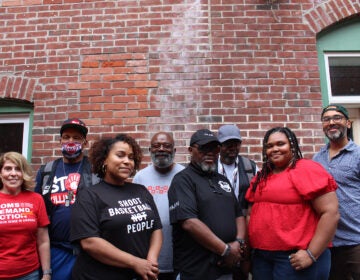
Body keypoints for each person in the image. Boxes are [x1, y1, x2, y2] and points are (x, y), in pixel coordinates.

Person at [245, 126, 340, 280]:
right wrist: (248, 254)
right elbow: (251, 214)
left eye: (280, 144)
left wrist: (311, 254)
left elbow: (331, 213)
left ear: (292, 146)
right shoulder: (262, 176)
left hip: (295, 257)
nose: (274, 149)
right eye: (269, 146)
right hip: (262, 257)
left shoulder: (306, 169)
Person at [70, 134, 163, 280]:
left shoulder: (141, 191)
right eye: (120, 155)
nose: (127, 161)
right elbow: (89, 242)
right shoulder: (88, 196)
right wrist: (135, 263)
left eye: (131, 157)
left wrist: (150, 261)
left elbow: (156, 228)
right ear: (104, 159)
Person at [168, 128, 246, 280]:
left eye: (215, 149)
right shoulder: (183, 180)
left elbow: (238, 214)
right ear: (191, 150)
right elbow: (189, 222)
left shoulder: (222, 180)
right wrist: (225, 250)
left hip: (225, 268)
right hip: (197, 270)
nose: (210, 153)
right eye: (204, 148)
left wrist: (239, 242)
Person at [35, 118, 99, 280]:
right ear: (60, 141)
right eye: (66, 137)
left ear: (85, 142)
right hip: (56, 251)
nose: (71, 141)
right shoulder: (46, 172)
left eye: (76, 138)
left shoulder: (96, 171)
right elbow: (36, 209)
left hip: (89, 252)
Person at [313, 104, 360, 280]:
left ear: (348, 123)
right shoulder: (318, 159)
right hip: (328, 244)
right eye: (326, 119)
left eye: (337, 118)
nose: (331, 122)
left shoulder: (357, 155)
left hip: (356, 241)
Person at [133, 132, 185, 280]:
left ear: (174, 151)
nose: (161, 149)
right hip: (149, 259)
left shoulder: (185, 175)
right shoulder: (140, 177)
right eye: (156, 146)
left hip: (181, 258)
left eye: (167, 146)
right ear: (150, 151)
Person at [0, 152, 51, 280]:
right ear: (1, 174)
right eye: (8, 168)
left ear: (24, 174)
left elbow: (43, 241)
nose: (13, 173)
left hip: (29, 274)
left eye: (18, 169)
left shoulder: (36, 199)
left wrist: (46, 273)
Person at [217, 124, 258, 280]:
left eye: (236, 143)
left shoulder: (250, 167)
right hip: (218, 229)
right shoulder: (210, 167)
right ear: (219, 145)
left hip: (246, 229)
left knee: (243, 271)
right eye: (227, 144)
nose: (232, 147)